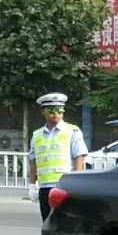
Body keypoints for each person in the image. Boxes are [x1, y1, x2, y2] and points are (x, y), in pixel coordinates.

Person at [28, 92, 87, 221]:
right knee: (47, 223)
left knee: (66, 224)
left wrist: (76, 184)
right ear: (43, 111)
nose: (56, 114)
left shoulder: (72, 131)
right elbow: (33, 161)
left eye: (60, 110)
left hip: (64, 186)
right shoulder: (37, 135)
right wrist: (32, 185)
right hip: (44, 188)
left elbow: (79, 158)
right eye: (52, 110)